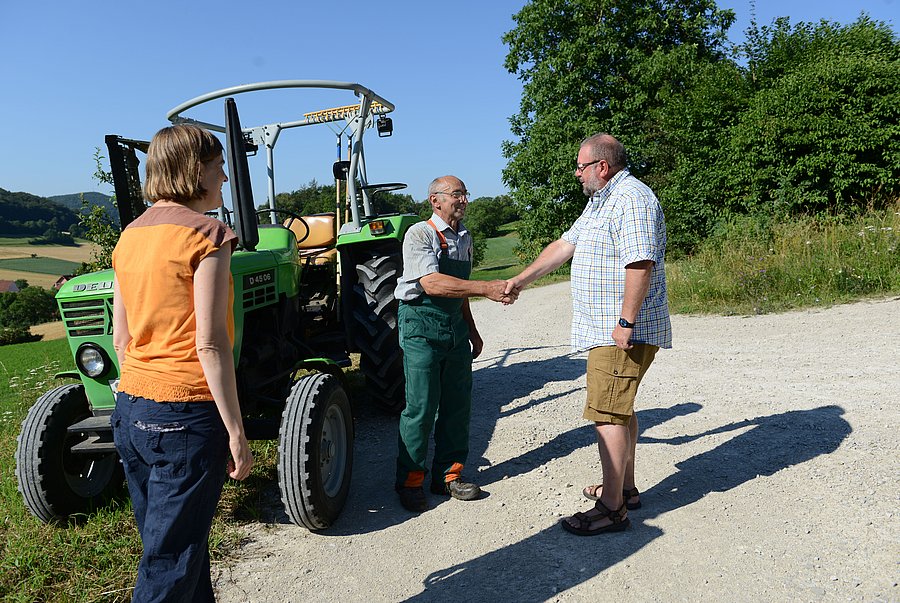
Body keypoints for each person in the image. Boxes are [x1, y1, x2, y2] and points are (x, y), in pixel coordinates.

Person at [111, 124, 253, 601]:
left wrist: (138, 392)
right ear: (196, 171)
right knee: (169, 561)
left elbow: (121, 337)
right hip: (185, 413)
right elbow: (210, 344)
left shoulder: (130, 234)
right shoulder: (209, 234)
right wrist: (236, 431)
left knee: (177, 545)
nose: (225, 178)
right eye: (218, 168)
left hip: (131, 408)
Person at [505, 133, 672, 536]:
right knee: (620, 410)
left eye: (581, 166)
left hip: (620, 331)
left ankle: (612, 508)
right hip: (608, 329)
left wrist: (625, 322)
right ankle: (625, 489)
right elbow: (565, 246)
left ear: (602, 166)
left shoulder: (632, 198)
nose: (576, 173)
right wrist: (521, 280)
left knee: (607, 414)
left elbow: (640, 263)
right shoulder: (601, 201)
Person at [393, 175, 516, 512]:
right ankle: (411, 480)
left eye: (465, 194)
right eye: (457, 194)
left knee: (457, 404)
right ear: (435, 200)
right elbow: (432, 284)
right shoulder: (420, 234)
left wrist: (472, 330)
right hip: (420, 323)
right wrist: (487, 288)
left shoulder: (464, 237)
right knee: (421, 405)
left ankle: (449, 475)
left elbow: (458, 289)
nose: (463, 200)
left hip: (455, 327)